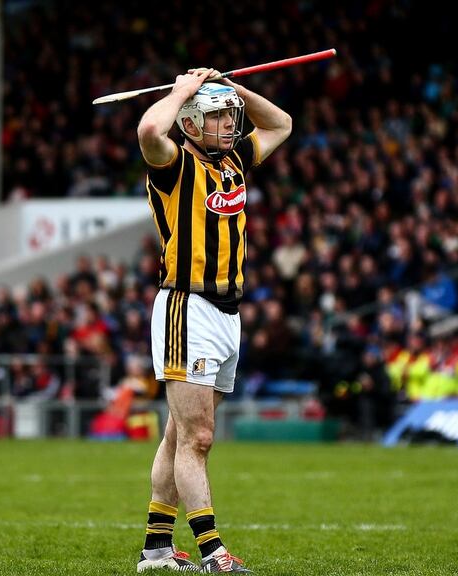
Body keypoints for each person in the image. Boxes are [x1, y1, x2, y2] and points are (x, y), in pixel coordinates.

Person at [135, 67, 291, 573]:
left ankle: (156, 550)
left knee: (180, 435)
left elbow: (282, 123)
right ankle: (212, 551)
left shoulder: (235, 161)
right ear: (192, 123)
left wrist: (229, 85)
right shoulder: (173, 164)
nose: (230, 122)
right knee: (198, 436)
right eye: (218, 115)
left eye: (230, 115)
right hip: (188, 307)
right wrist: (183, 92)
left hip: (228, 313)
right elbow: (148, 131)